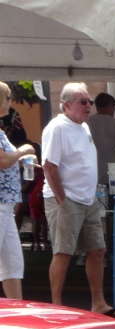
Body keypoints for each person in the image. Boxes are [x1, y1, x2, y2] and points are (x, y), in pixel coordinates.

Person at [42, 83, 115, 316]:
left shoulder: (84, 127)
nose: (89, 105)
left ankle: (99, 303)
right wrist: (62, 199)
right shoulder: (57, 128)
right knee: (63, 252)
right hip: (67, 199)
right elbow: (49, 166)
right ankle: (56, 306)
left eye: (90, 101)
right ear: (66, 105)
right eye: (83, 102)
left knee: (98, 250)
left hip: (87, 199)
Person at [0, 82, 36, 300]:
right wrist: (23, 150)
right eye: (7, 98)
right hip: (1, 203)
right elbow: (3, 160)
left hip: (6, 204)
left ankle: (16, 308)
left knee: (12, 263)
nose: (10, 102)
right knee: (10, 262)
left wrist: (20, 160)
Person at [86, 92, 115, 187]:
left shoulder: (86, 123)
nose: (114, 111)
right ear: (110, 105)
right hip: (113, 174)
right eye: (114, 108)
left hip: (91, 174)